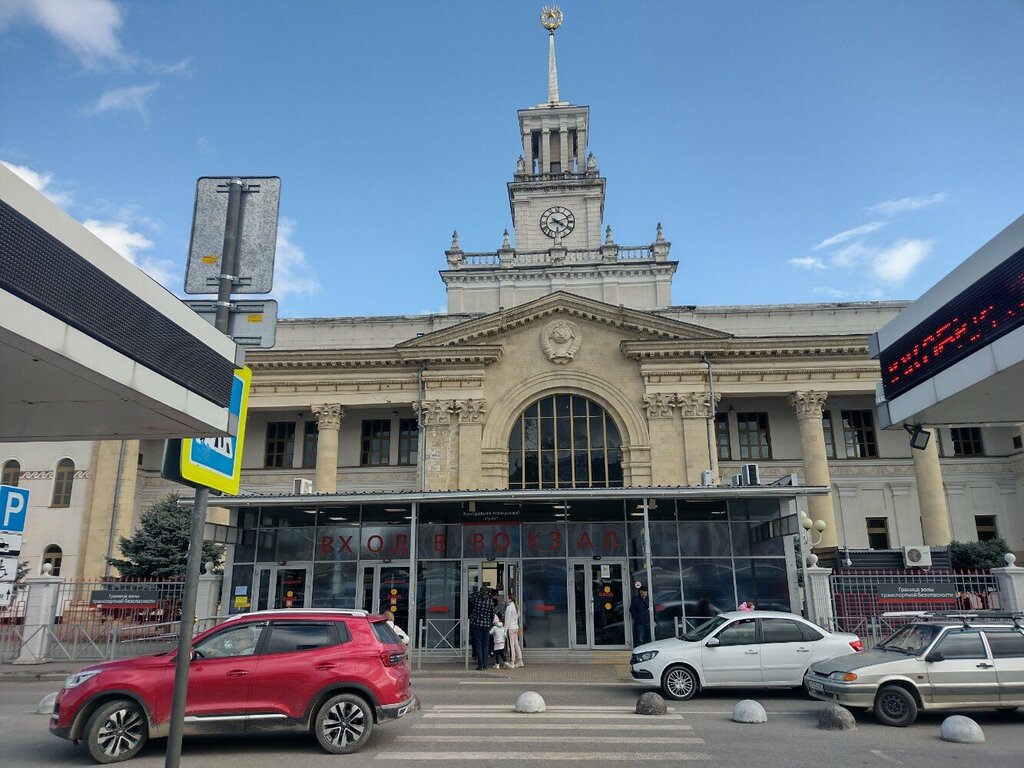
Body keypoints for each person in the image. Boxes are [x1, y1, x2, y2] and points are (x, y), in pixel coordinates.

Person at [468, 587, 494, 671]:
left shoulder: (476, 600)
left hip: (476, 624)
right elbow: (492, 614)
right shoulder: (490, 601)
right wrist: (489, 622)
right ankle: (485, 665)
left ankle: (480, 665)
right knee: (485, 645)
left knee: (478, 644)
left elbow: (470, 596)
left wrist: (477, 593)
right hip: (486, 625)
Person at [504, 594, 524, 668]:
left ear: (510, 599)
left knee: (512, 645)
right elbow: (518, 615)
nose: (506, 599)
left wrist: (505, 631)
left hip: (511, 628)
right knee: (516, 644)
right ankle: (520, 661)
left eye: (507, 598)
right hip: (516, 627)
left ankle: (512, 662)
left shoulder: (509, 608)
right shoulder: (516, 606)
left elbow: (507, 620)